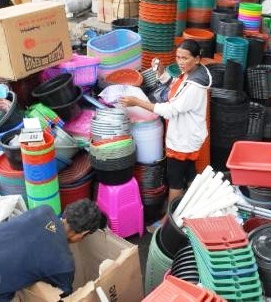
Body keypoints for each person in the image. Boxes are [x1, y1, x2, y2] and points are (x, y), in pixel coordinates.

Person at [120, 40, 212, 229]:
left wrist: (137, 102)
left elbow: (171, 109)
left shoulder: (195, 86)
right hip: (187, 136)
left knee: (175, 180)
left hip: (183, 140)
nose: (180, 61)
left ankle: (169, 221)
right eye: (178, 57)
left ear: (197, 59)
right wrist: (162, 73)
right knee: (188, 174)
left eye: (185, 58)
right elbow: (174, 89)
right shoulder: (190, 74)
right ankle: (193, 208)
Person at [0, 199, 107, 301]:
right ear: (83, 233)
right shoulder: (64, 263)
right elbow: (64, 297)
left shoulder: (44, 210)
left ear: (67, 211)